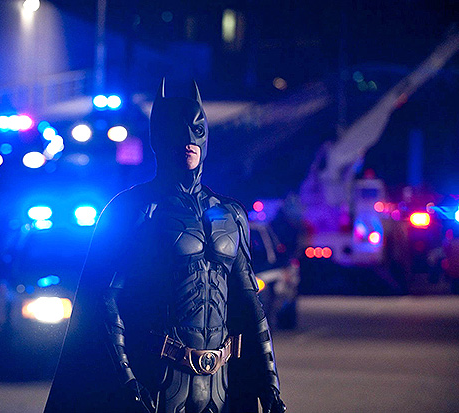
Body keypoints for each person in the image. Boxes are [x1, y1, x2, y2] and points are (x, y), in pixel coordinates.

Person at [45, 79, 286, 413]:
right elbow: (104, 298)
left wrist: (269, 381)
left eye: (196, 130)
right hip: (158, 379)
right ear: (158, 138)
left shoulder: (231, 214)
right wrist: (126, 378)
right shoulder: (134, 209)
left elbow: (248, 303)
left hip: (222, 384)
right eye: (176, 130)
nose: (188, 140)